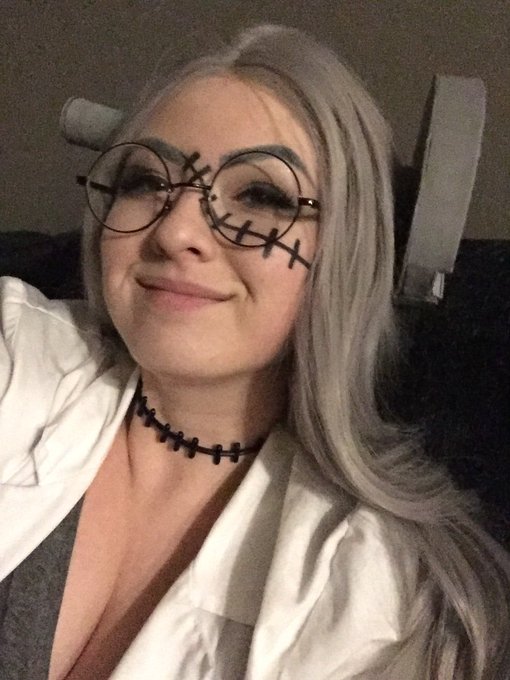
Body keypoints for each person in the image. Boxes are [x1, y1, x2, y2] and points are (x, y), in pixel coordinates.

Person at [0, 23, 509, 680]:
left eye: (261, 195)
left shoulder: (384, 605)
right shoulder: (17, 353)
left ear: (349, 250)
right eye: (146, 180)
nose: (176, 231)